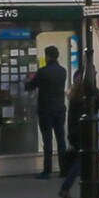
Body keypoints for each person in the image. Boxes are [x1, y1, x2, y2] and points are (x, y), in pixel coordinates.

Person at [58, 68, 99, 198]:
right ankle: (65, 187)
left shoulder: (75, 93)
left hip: (75, 132)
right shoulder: (93, 92)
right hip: (86, 132)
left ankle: (98, 187)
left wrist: (70, 135)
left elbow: (71, 117)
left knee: (87, 162)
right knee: (82, 161)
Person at [27, 45, 70, 178]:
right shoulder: (62, 71)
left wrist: (28, 80)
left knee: (48, 140)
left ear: (48, 56)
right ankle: (64, 169)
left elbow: (30, 86)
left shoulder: (43, 72)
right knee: (61, 140)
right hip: (59, 109)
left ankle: (47, 170)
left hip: (46, 110)